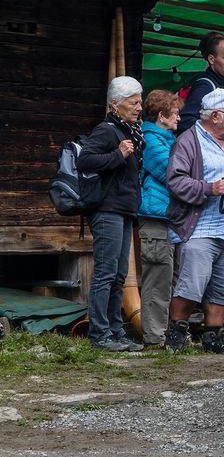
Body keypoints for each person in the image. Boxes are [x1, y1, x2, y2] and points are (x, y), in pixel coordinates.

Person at [165, 89, 224, 353]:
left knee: (223, 286)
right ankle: (176, 335)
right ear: (216, 116)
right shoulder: (188, 141)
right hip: (200, 228)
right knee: (191, 284)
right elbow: (175, 181)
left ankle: (213, 337)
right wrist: (210, 188)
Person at [77, 76, 146, 352]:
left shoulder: (129, 131)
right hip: (107, 210)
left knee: (118, 275)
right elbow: (85, 160)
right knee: (106, 273)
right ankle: (100, 333)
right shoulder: (107, 130)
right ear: (116, 104)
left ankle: (116, 331)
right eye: (134, 102)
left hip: (124, 210)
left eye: (140, 101)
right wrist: (118, 155)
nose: (139, 106)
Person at [137, 89, 181, 348]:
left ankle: (165, 334)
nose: (178, 119)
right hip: (155, 218)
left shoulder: (165, 140)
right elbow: (172, 174)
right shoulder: (151, 141)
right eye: (175, 114)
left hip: (168, 218)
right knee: (157, 279)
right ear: (162, 116)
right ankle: (154, 337)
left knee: (170, 277)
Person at [179, 32, 224, 133]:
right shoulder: (205, 86)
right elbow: (185, 120)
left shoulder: (219, 83)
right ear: (211, 59)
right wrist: (215, 132)